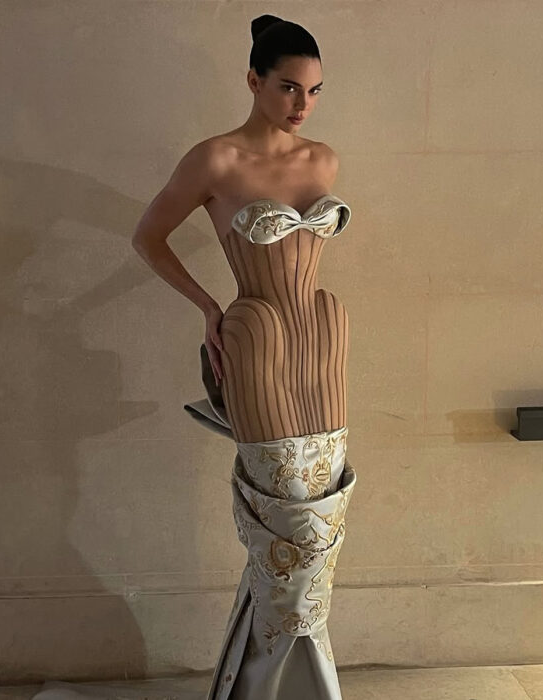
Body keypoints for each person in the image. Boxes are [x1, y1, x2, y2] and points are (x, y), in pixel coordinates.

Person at [132, 14, 357, 700]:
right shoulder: (215, 160)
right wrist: (208, 307)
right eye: (289, 87)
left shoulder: (323, 160)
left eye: (314, 91)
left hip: (324, 334)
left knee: (325, 520)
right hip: (255, 337)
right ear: (254, 81)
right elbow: (147, 237)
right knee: (286, 527)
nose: (302, 104)